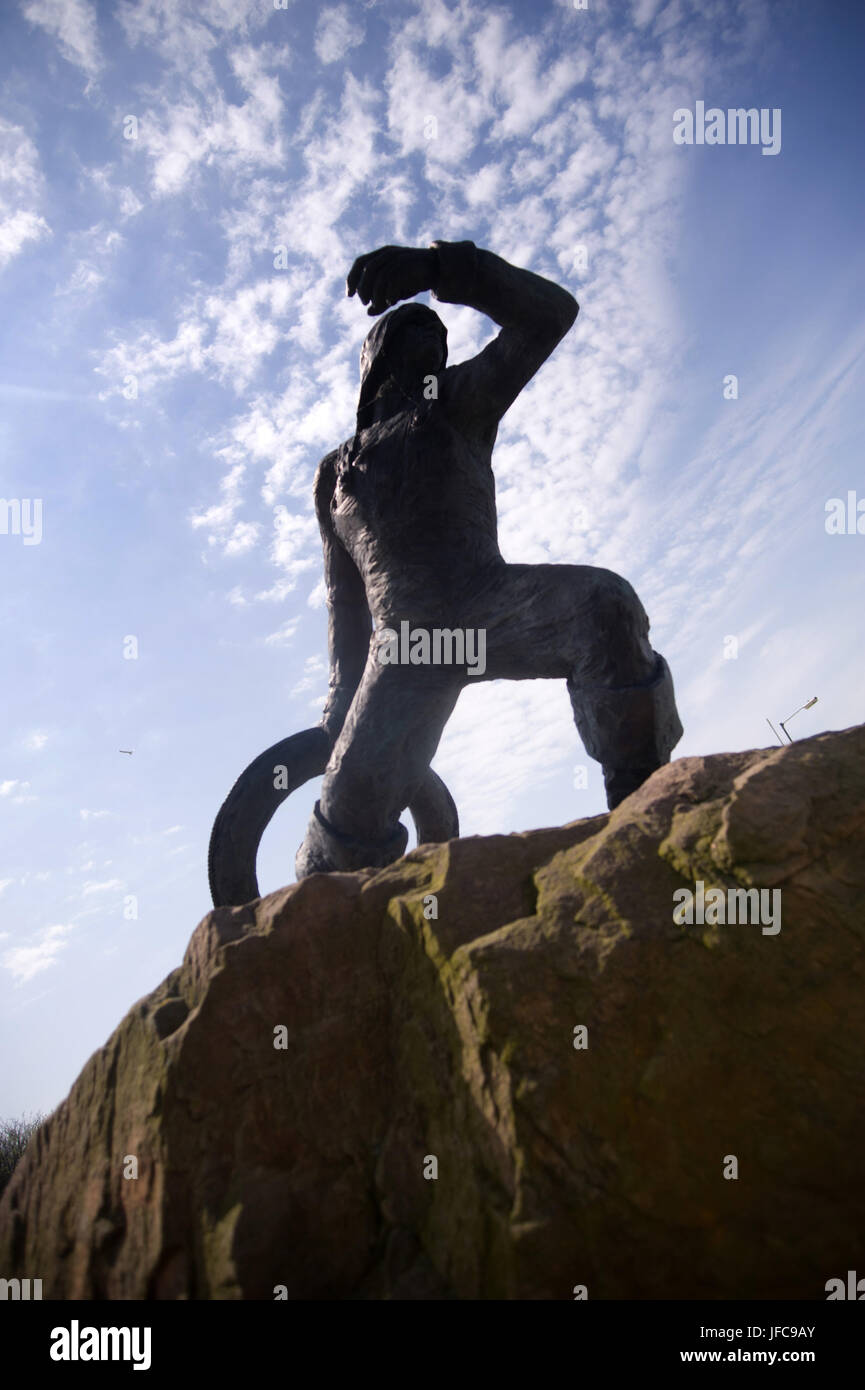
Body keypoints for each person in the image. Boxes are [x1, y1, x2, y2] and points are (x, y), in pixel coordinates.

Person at [295, 240, 683, 877]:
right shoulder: (333, 475)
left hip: (485, 607)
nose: (432, 336)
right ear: (375, 360)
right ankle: (303, 930)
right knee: (344, 821)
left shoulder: (457, 401)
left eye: (437, 332)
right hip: (405, 653)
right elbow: (345, 604)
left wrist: (438, 268)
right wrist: (339, 708)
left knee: (602, 607)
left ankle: (647, 821)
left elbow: (549, 315)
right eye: (413, 327)